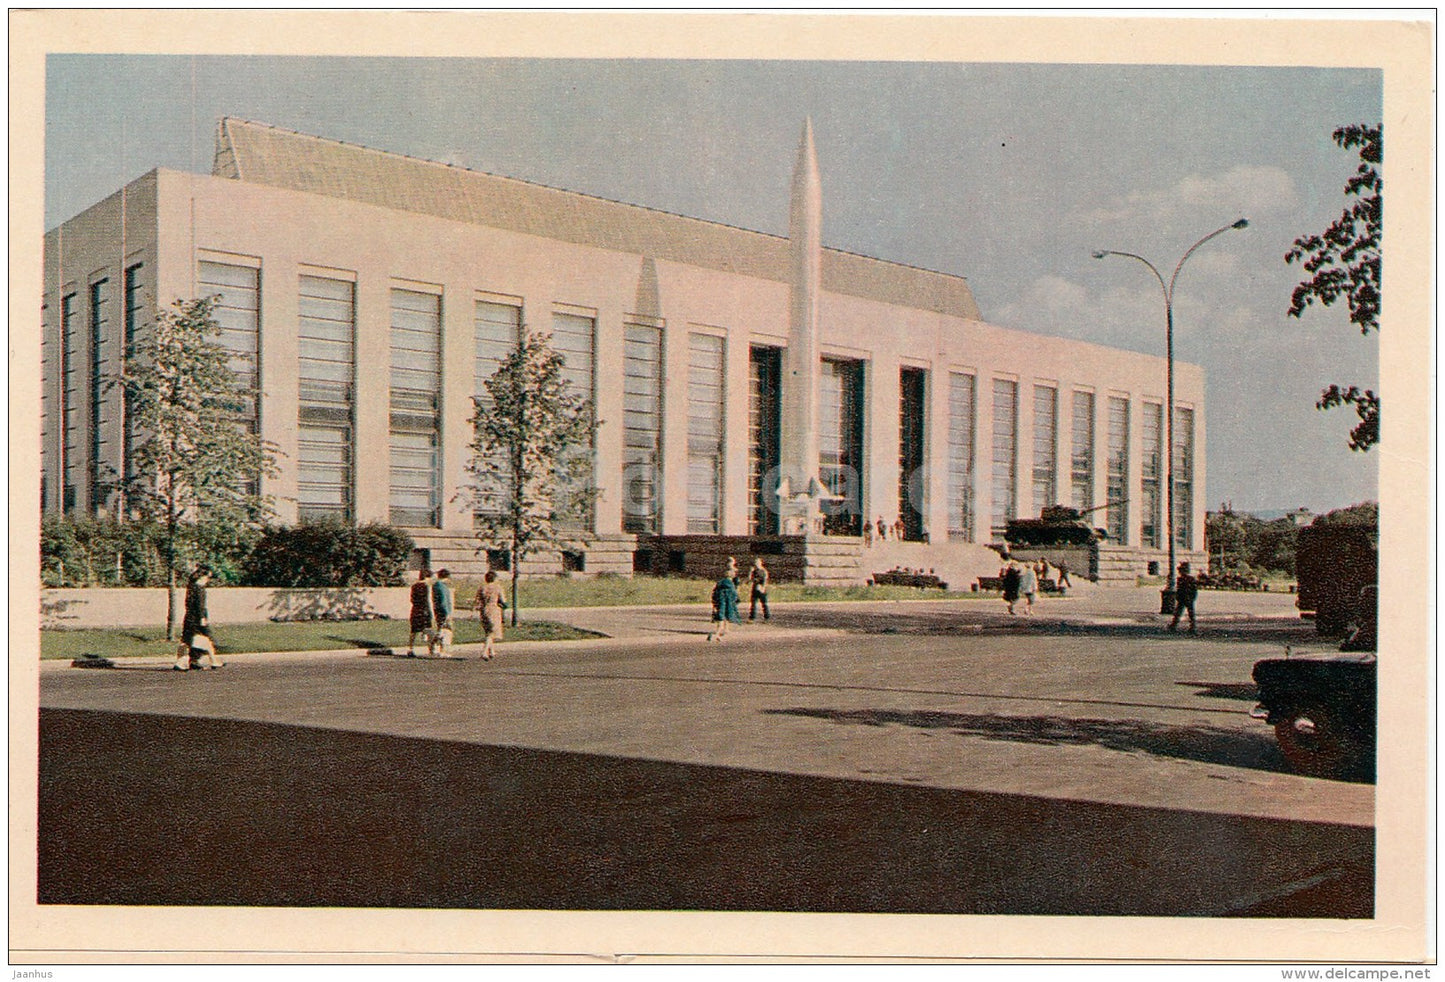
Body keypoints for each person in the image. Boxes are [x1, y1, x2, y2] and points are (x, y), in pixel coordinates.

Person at [176, 565, 220, 671]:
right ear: (203, 577)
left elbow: (189, 604)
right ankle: (213, 661)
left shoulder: (191, 587)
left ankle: (193, 661)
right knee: (205, 638)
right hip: (197, 618)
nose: (208, 580)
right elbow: (200, 605)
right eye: (208, 578)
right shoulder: (200, 589)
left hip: (189, 617)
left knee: (187, 640)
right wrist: (202, 618)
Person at [707, 558, 741, 642]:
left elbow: (714, 593)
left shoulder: (720, 583)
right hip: (726, 605)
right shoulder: (731, 586)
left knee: (720, 619)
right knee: (723, 619)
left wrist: (714, 603)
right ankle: (716, 635)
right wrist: (736, 600)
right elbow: (734, 596)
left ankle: (718, 633)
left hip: (719, 604)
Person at [475, 570, 507, 660]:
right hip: (494, 610)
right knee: (492, 632)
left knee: (487, 630)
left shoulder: (482, 588)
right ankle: (484, 651)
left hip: (484, 610)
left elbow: (478, 600)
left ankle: (491, 651)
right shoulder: (498, 588)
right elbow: (503, 600)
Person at [407, 568, 435, 657]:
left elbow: (412, 599)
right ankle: (431, 649)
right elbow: (428, 600)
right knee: (429, 630)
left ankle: (411, 648)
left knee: (414, 631)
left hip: (415, 610)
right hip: (424, 610)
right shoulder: (427, 587)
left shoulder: (414, 586)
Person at [430, 569, 455, 656]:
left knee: (441, 629)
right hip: (443, 611)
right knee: (446, 631)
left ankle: (435, 645)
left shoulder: (436, 585)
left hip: (438, 610)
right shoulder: (442, 587)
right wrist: (447, 613)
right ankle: (442, 650)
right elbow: (444, 601)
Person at [1170, 562, 1199, 633]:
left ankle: (1191, 626)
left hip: (1185, 597)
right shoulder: (1185, 579)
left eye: (1181, 570)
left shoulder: (1186, 579)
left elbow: (1193, 589)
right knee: (1185, 613)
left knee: (1182, 612)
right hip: (1185, 598)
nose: (1180, 572)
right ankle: (1191, 626)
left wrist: (1191, 597)